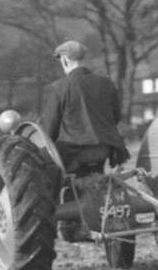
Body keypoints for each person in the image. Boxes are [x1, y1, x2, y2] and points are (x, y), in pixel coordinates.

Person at [39, 40, 129, 175]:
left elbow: (49, 130)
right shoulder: (106, 83)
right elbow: (116, 117)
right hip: (104, 149)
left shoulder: (59, 87)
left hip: (72, 153)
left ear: (65, 61)